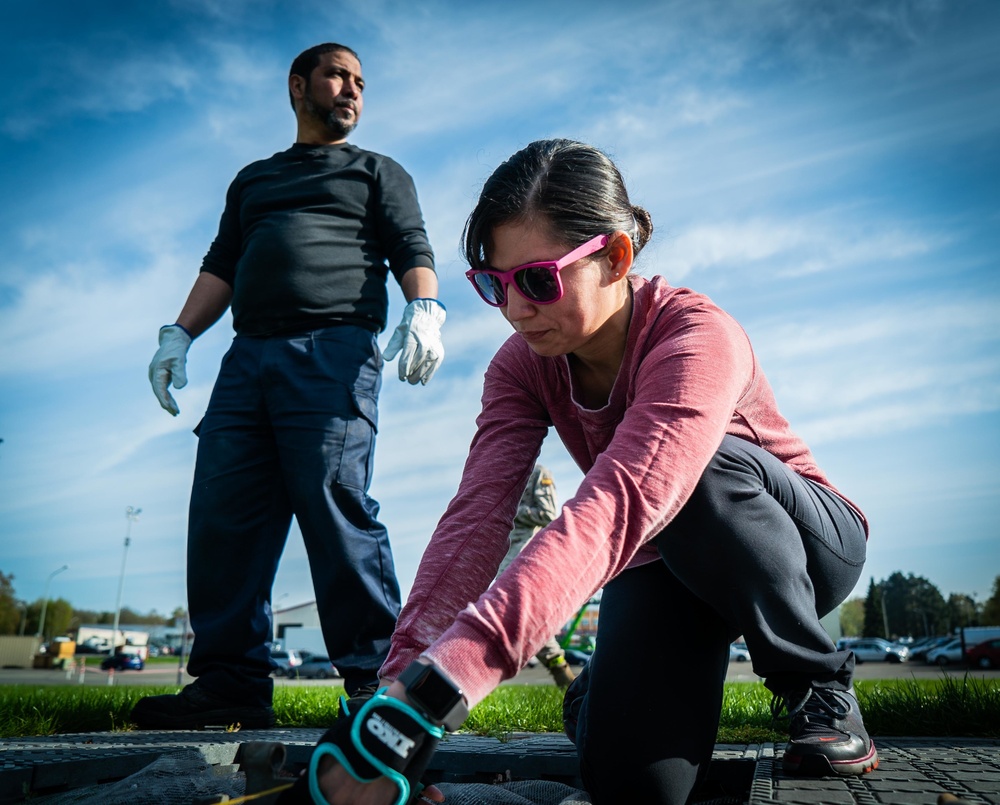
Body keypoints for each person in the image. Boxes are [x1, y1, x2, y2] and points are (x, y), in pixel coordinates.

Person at [295, 138, 875, 805]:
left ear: (615, 257)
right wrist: (394, 696)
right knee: (634, 786)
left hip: (802, 547)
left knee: (702, 473)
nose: (514, 308)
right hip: (663, 563)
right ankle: (595, 699)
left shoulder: (696, 336)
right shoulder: (519, 366)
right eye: (493, 283)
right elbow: (476, 518)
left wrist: (443, 688)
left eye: (538, 280)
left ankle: (818, 685)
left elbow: (625, 499)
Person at [131, 42, 445, 730]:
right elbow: (222, 264)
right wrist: (178, 333)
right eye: (338, 75)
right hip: (248, 357)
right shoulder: (253, 180)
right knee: (223, 513)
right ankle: (230, 681)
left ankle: (376, 681)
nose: (353, 90)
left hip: (334, 349)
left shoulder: (376, 172)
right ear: (298, 85)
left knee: (335, 502)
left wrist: (425, 307)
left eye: (361, 82)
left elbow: (412, 247)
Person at [496, 464, 575, 688]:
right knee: (513, 613)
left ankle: (559, 667)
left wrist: (511, 510)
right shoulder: (507, 475)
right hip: (505, 555)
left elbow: (547, 512)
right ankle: (557, 666)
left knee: (519, 611)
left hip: (524, 554)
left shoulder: (538, 474)